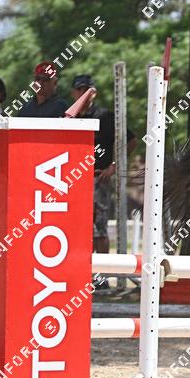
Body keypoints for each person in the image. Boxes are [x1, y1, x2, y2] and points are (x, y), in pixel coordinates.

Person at [69, 75, 137, 255]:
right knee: (77, 228)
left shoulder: (105, 116)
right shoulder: (69, 117)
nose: (82, 94)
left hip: (98, 179)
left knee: (99, 230)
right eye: (79, 90)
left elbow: (131, 141)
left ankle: (102, 270)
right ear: (73, 93)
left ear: (94, 93)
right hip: (73, 181)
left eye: (86, 90)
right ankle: (82, 268)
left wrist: (114, 166)